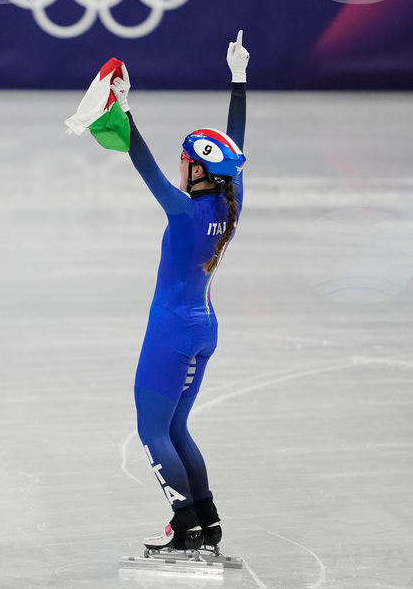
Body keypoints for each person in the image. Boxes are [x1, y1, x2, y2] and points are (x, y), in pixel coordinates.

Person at [110, 32, 249, 555]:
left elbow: (140, 161)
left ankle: (185, 524)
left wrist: (125, 114)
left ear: (196, 169)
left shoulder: (185, 210)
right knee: (178, 426)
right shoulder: (230, 205)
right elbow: (238, 152)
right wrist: (238, 81)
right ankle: (207, 523)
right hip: (204, 326)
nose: (178, 167)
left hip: (170, 330)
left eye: (185, 160)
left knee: (153, 432)